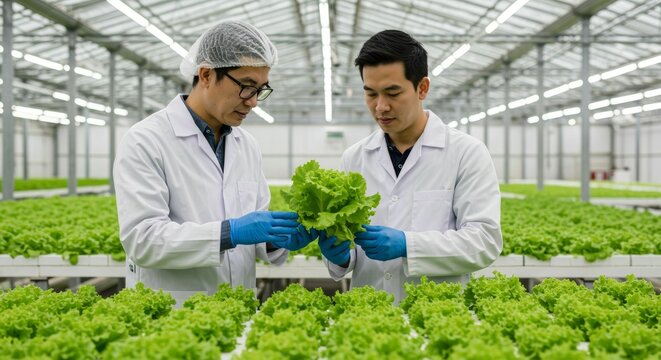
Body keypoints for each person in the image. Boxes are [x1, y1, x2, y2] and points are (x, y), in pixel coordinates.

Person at [114, 21, 315, 306]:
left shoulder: (246, 146)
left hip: (238, 308)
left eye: (261, 89)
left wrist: (274, 240)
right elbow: (143, 240)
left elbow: (252, 230)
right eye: (246, 87)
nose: (254, 102)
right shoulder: (146, 140)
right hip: (174, 312)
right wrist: (228, 233)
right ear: (207, 75)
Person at [320, 30, 503, 303]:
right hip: (370, 315)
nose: (380, 107)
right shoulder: (354, 158)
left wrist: (408, 245)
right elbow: (349, 252)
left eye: (393, 93)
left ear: (422, 88)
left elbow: (484, 242)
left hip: (438, 316)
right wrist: (340, 255)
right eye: (371, 94)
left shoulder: (466, 153)